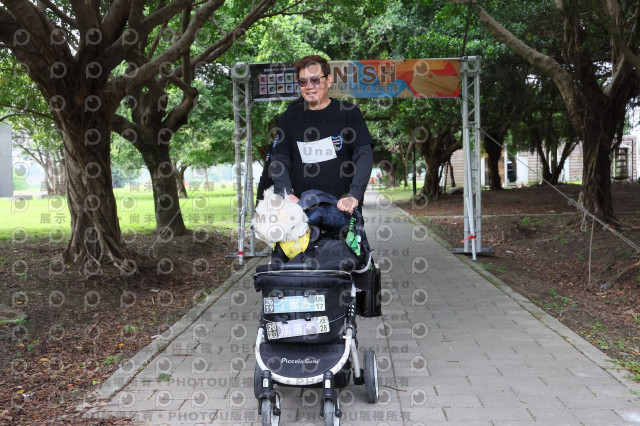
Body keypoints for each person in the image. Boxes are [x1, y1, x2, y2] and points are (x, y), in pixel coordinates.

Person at [269, 55, 374, 215]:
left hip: (343, 210)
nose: (309, 86)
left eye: (315, 80)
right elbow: (279, 159)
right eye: (303, 82)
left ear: (329, 80)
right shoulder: (288, 118)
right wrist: (286, 192)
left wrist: (354, 194)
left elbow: (364, 155)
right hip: (302, 213)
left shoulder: (349, 114)